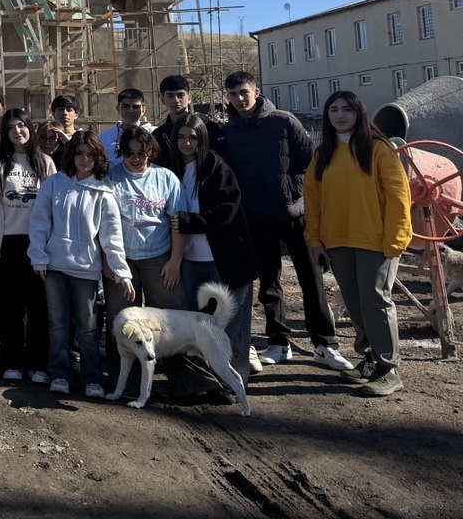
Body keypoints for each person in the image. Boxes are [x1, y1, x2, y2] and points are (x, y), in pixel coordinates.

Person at [219, 72, 349, 371]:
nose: (239, 99)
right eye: (233, 94)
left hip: (294, 215)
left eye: (243, 92)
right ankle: (278, 342)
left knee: (311, 280)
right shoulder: (229, 133)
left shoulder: (284, 121)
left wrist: (297, 198)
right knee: (269, 284)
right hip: (256, 220)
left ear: (256, 91)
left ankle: (324, 344)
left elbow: (308, 164)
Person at [304, 91, 413, 396]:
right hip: (338, 241)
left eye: (347, 110)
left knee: (375, 300)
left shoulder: (378, 149)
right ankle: (370, 359)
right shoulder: (322, 154)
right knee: (354, 302)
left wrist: (397, 237)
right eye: (334, 110)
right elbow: (312, 201)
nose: (340, 115)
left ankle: (389, 368)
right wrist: (315, 240)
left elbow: (399, 195)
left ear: (359, 113)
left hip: (376, 240)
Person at [28, 131, 133, 398]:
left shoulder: (103, 191)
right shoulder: (54, 184)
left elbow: (111, 236)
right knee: (57, 323)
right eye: (79, 153)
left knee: (87, 328)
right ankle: (60, 374)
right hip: (54, 267)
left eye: (90, 154)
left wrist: (121, 271)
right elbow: (39, 222)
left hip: (86, 270)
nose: (84, 159)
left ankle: (92, 379)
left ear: (98, 157)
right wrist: (38, 256)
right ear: (71, 155)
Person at [167, 115, 257, 384]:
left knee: (232, 325)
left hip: (226, 258)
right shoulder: (170, 170)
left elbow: (227, 209)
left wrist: (190, 222)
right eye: (181, 137)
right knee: (198, 326)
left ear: (202, 138)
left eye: (192, 137)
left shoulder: (215, 166)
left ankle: (235, 380)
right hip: (190, 260)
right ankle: (206, 382)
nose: (186, 143)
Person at [103, 127, 189, 384]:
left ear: (151, 151)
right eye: (130, 153)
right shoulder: (110, 177)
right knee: (120, 320)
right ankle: (124, 382)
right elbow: (99, 222)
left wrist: (175, 261)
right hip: (121, 260)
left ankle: (185, 381)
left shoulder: (166, 178)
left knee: (173, 317)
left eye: (142, 152)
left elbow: (177, 221)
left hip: (159, 258)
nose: (136, 158)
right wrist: (105, 260)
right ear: (121, 152)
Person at [0, 108, 55, 383]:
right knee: (10, 307)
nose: (17, 132)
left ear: (30, 128)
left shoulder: (45, 162)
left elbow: (53, 207)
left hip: (39, 242)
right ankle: (11, 360)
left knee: (39, 306)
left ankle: (38, 364)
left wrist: (51, 244)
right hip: (9, 242)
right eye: (11, 127)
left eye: (22, 126)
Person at [153, 75, 222, 168]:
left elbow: (220, 161)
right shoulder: (159, 135)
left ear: (189, 98)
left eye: (180, 95)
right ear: (162, 99)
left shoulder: (208, 126)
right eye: (170, 96)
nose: (176, 100)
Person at [97, 88, 154, 160]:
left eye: (135, 107)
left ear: (143, 110)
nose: (130, 111)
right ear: (118, 108)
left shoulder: (153, 134)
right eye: (125, 106)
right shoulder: (103, 138)